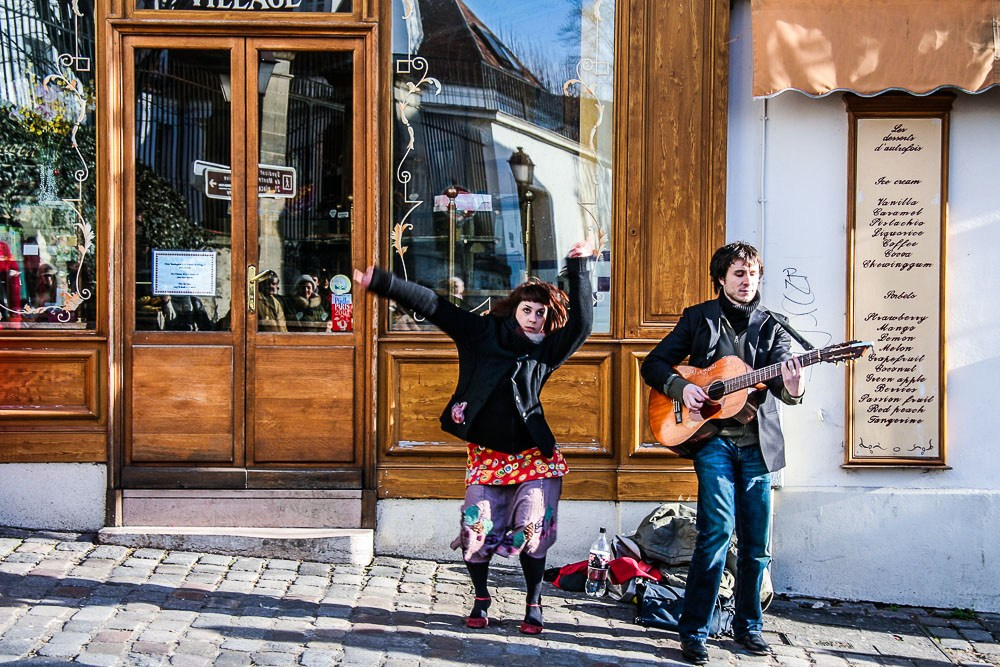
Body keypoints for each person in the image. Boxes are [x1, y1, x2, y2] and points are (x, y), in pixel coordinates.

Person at [354, 237, 595, 635]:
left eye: (540, 313)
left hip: (534, 456)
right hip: (487, 456)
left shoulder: (546, 351)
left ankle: (533, 601)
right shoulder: (481, 333)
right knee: (474, 530)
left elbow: (584, 323)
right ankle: (481, 596)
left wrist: (581, 265)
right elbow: (434, 306)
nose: (533, 318)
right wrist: (383, 282)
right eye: (527, 309)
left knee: (532, 529)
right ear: (514, 309)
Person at [640, 241, 805, 663]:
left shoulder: (773, 326)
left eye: (752, 274)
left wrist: (795, 386)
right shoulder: (699, 319)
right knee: (714, 536)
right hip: (713, 441)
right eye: (739, 274)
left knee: (756, 544)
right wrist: (684, 388)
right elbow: (654, 364)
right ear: (721, 278)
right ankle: (693, 630)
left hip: (758, 449)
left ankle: (748, 627)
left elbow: (785, 389)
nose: (747, 281)